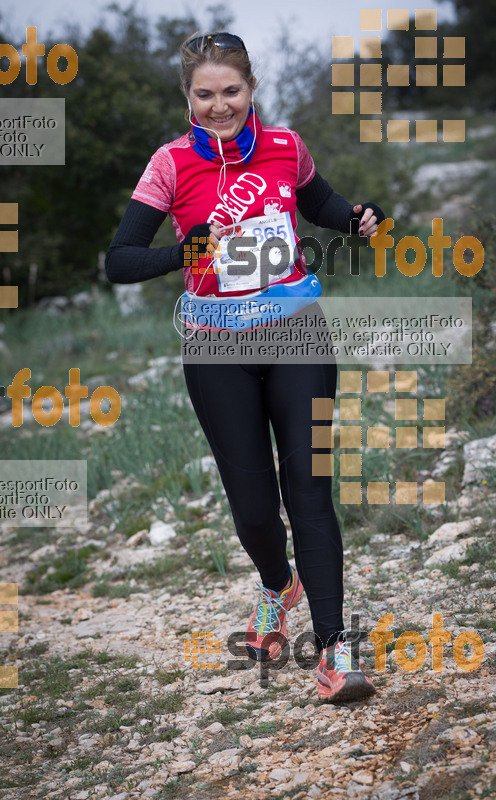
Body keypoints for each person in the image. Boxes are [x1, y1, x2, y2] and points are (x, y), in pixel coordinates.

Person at [106, 31, 385, 703]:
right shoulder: (170, 165)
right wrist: (187, 250)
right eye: (204, 94)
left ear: (251, 89)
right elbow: (119, 260)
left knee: (309, 490)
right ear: (187, 98)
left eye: (230, 91)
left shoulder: (286, 147)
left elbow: (316, 203)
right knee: (256, 510)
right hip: (215, 346)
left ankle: (333, 652)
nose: (219, 106)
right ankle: (274, 582)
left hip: (296, 332)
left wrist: (353, 217)